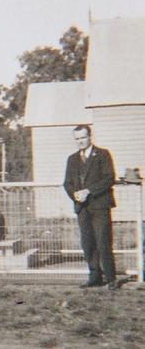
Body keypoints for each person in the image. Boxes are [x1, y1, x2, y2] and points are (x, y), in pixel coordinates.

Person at [64, 124, 118, 290]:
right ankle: (94, 277)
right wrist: (76, 195)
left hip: (99, 205)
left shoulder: (102, 154)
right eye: (77, 139)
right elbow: (67, 183)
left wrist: (89, 191)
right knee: (88, 243)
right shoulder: (72, 159)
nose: (80, 141)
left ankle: (111, 278)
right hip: (82, 208)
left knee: (103, 241)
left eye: (83, 137)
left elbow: (109, 178)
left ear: (90, 136)